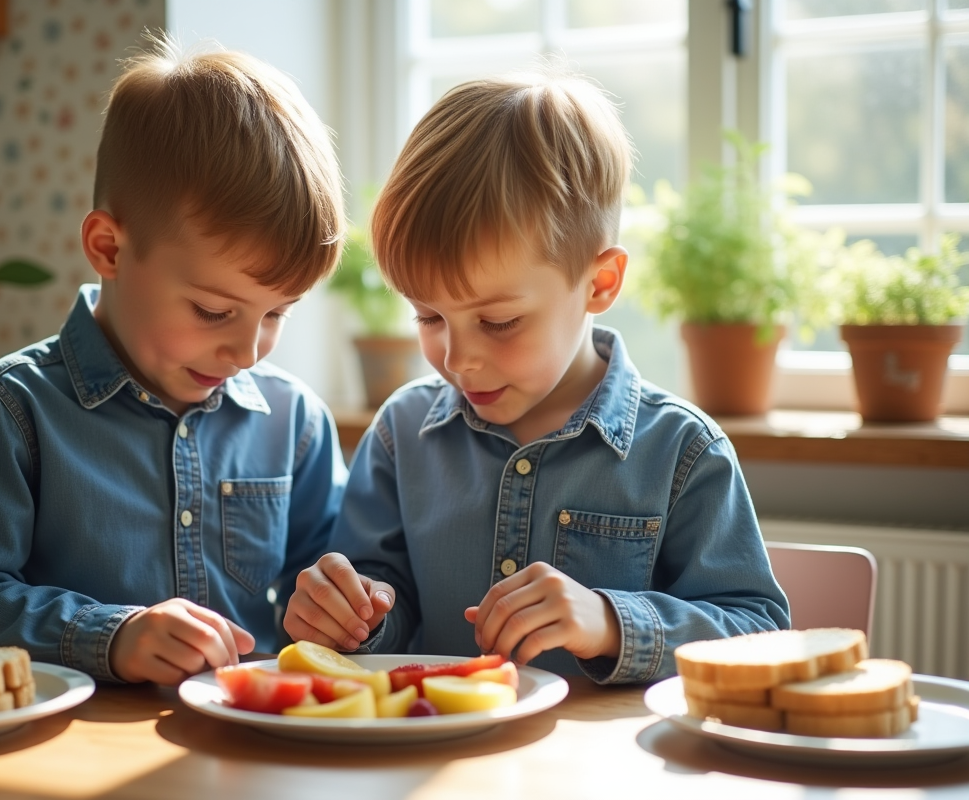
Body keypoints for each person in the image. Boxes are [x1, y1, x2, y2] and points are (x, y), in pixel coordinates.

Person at [283, 70, 789, 683]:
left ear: (599, 283)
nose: (459, 357)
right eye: (429, 316)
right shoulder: (401, 434)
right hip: (436, 773)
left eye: (498, 321)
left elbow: (759, 630)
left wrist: (608, 620)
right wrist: (352, 612)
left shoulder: (681, 452)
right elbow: (383, 601)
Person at [0, 37, 348, 686]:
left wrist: (346, 602)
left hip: (250, 755)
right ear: (108, 248)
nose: (248, 351)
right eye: (214, 311)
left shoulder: (295, 421)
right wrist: (108, 635)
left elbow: (332, 584)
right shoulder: (13, 410)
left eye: (277, 313)